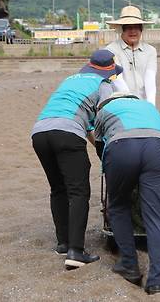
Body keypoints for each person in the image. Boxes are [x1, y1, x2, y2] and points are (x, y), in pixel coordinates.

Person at [94, 93, 160, 295]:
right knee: (157, 215)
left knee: (118, 206)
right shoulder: (148, 107)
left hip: (121, 148)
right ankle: (156, 281)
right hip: (158, 149)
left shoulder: (104, 111)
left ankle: (129, 264)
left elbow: (100, 148)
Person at [30, 49, 121, 270]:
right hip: (68, 134)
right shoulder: (104, 85)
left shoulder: (71, 79)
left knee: (58, 188)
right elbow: (105, 119)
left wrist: (95, 146)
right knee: (79, 191)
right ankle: (76, 252)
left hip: (40, 133)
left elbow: (85, 123)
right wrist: (110, 147)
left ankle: (63, 242)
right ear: (110, 72)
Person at [105, 5, 157, 105]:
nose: (133, 31)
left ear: (141, 29)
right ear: (121, 29)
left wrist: (151, 106)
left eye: (136, 27)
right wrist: (131, 105)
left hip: (143, 104)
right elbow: (117, 80)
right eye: (128, 27)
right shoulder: (110, 50)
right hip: (121, 104)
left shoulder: (150, 51)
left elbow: (150, 79)